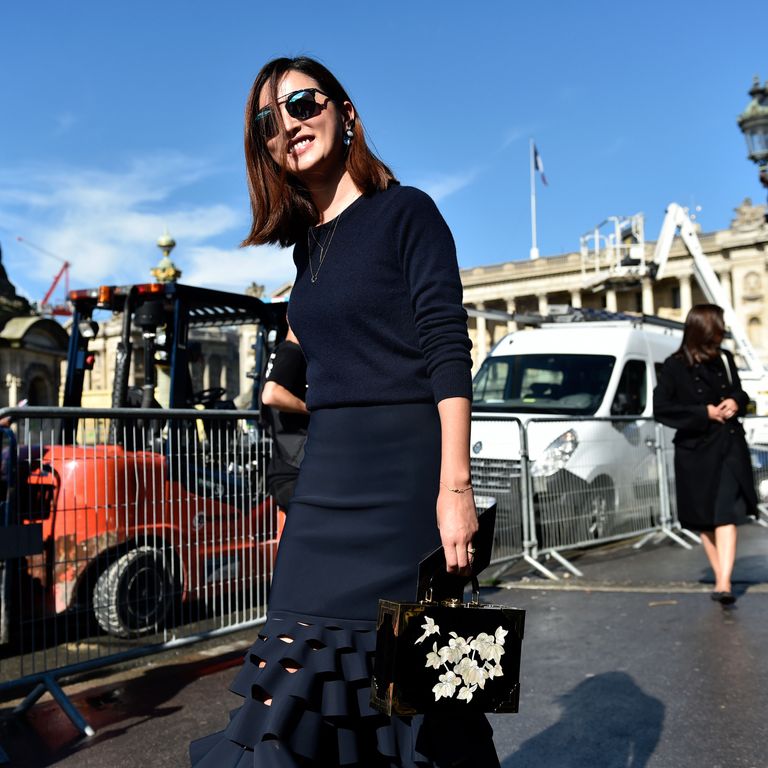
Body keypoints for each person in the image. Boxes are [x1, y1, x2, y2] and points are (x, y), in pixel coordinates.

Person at [189, 56, 498, 767]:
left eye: (302, 103)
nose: (288, 125)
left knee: (432, 705)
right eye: (269, 120)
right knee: (289, 694)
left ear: (345, 111)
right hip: (326, 492)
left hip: (407, 486)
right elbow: (289, 378)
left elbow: (447, 349)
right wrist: (287, 471)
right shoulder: (308, 247)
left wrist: (456, 489)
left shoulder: (406, 211)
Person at [653, 304, 758, 605]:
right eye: (719, 325)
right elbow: (661, 408)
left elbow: (740, 391)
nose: (723, 331)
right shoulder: (674, 366)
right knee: (704, 519)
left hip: (728, 447)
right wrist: (704, 412)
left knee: (727, 512)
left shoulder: (725, 359)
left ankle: (723, 582)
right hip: (694, 452)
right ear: (704, 329)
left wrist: (734, 402)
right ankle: (720, 575)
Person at [261, 327, 309, 539]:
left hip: (285, 464)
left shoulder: (280, 352)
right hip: (293, 465)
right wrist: (310, 407)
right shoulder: (292, 352)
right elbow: (271, 395)